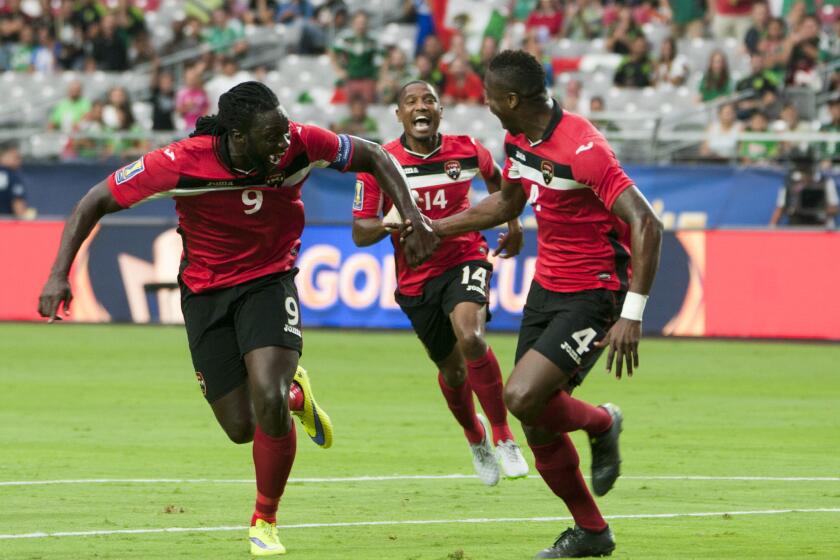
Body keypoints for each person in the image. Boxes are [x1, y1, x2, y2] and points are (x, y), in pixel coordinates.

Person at [37, 81, 438, 557]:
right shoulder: (180, 161)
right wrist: (58, 274)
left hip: (269, 280)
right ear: (238, 137)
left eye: (286, 130)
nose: (285, 143)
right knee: (240, 426)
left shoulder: (302, 141)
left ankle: (264, 519)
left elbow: (373, 154)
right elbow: (93, 202)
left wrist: (411, 215)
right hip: (205, 292)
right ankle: (295, 393)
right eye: (272, 136)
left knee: (265, 396)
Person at [404, 50, 662, 558]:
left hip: (595, 290)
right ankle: (592, 531)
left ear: (513, 99)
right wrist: (433, 227)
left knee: (522, 397)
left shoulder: (584, 148)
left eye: (490, 97)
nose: (485, 103)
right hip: (546, 289)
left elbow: (647, 222)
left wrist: (632, 312)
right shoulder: (519, 140)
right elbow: (506, 202)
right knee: (536, 419)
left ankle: (602, 423)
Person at [352, 80, 529, 486]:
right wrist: (387, 223)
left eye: (429, 99)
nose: (421, 106)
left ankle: (504, 436)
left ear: (439, 111)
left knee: (471, 337)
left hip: (463, 255)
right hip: (416, 277)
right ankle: (476, 436)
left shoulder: (466, 150)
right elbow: (359, 232)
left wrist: (514, 224)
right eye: (411, 101)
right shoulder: (380, 162)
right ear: (398, 114)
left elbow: (499, 181)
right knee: (452, 373)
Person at [770, 146, 838, 226]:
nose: (803, 166)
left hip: (820, 226)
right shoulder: (790, 182)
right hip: (796, 225)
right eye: (800, 162)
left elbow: (834, 209)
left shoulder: (826, 182)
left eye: (807, 162)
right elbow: (780, 208)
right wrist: (772, 226)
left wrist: (819, 208)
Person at [0, 143, 30, 218]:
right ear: (2, 157)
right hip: (6, 224)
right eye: (16, 158)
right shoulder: (12, 176)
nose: (19, 161)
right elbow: (18, 204)